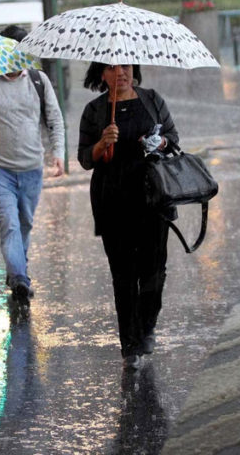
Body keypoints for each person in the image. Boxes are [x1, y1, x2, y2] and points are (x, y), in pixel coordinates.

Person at [77, 63, 178, 370]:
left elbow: (172, 137)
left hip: (152, 197)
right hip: (112, 201)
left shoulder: (152, 99)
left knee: (154, 271)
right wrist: (101, 144)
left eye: (126, 65)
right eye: (112, 67)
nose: (120, 72)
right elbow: (84, 158)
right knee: (123, 275)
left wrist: (159, 142)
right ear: (101, 75)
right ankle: (130, 346)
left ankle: (147, 327)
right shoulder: (94, 111)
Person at [0, 25, 65, 307]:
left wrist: (59, 154)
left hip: (32, 169)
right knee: (10, 225)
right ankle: (19, 278)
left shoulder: (39, 81)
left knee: (25, 224)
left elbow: (54, 118)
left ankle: (17, 270)